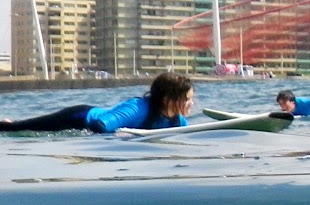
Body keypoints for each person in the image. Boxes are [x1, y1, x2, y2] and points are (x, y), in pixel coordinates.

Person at [1, 72, 193, 133]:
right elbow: (99, 125)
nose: (191, 104)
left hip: (86, 119)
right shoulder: (138, 108)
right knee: (18, 128)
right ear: (169, 100)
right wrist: (120, 136)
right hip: (78, 118)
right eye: (187, 99)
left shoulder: (178, 121)